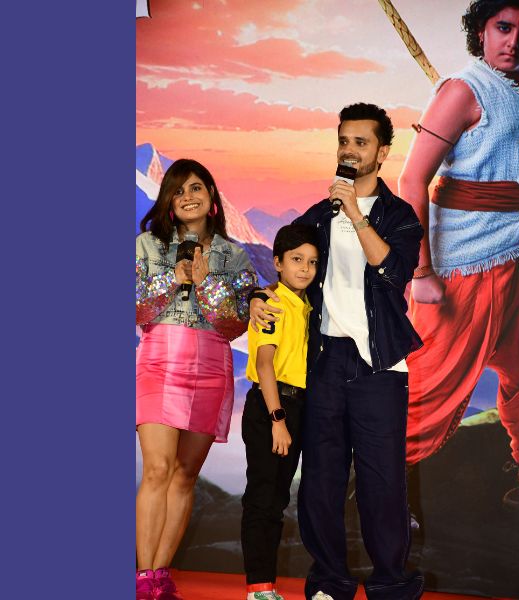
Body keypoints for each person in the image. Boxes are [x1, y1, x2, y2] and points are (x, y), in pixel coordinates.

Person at [250, 103, 424, 600]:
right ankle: (330, 582)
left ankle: (390, 585)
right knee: (321, 481)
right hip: (324, 362)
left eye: (360, 143)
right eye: (344, 141)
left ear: (382, 153)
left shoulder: (398, 216)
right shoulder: (316, 217)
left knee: (382, 484)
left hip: (380, 365)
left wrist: (355, 213)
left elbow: (393, 274)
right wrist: (257, 296)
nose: (349, 151)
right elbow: (285, 271)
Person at [399, 0, 519, 512]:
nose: (514, 42)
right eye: (503, 27)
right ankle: (368, 497)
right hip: (466, 263)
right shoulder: (462, 90)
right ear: (481, 30)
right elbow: (411, 180)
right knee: (429, 384)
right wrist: (421, 270)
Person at [135, 159, 257, 599]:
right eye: (178, 190)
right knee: (157, 469)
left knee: (185, 475)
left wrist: (207, 285)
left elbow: (236, 324)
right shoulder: (147, 245)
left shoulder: (234, 254)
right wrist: (174, 276)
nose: (188, 196)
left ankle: (160, 575)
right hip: (160, 362)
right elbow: (137, 310)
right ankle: (143, 578)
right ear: (168, 201)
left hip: (210, 368)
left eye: (196, 188)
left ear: (211, 196)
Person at [241, 224, 319, 600]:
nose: (305, 268)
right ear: (278, 263)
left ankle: (265, 586)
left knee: (277, 500)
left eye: (312, 262)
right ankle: (258, 588)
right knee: (263, 498)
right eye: (296, 259)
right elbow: (265, 364)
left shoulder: (306, 305)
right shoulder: (271, 302)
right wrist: (278, 420)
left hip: (297, 405)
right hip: (271, 407)